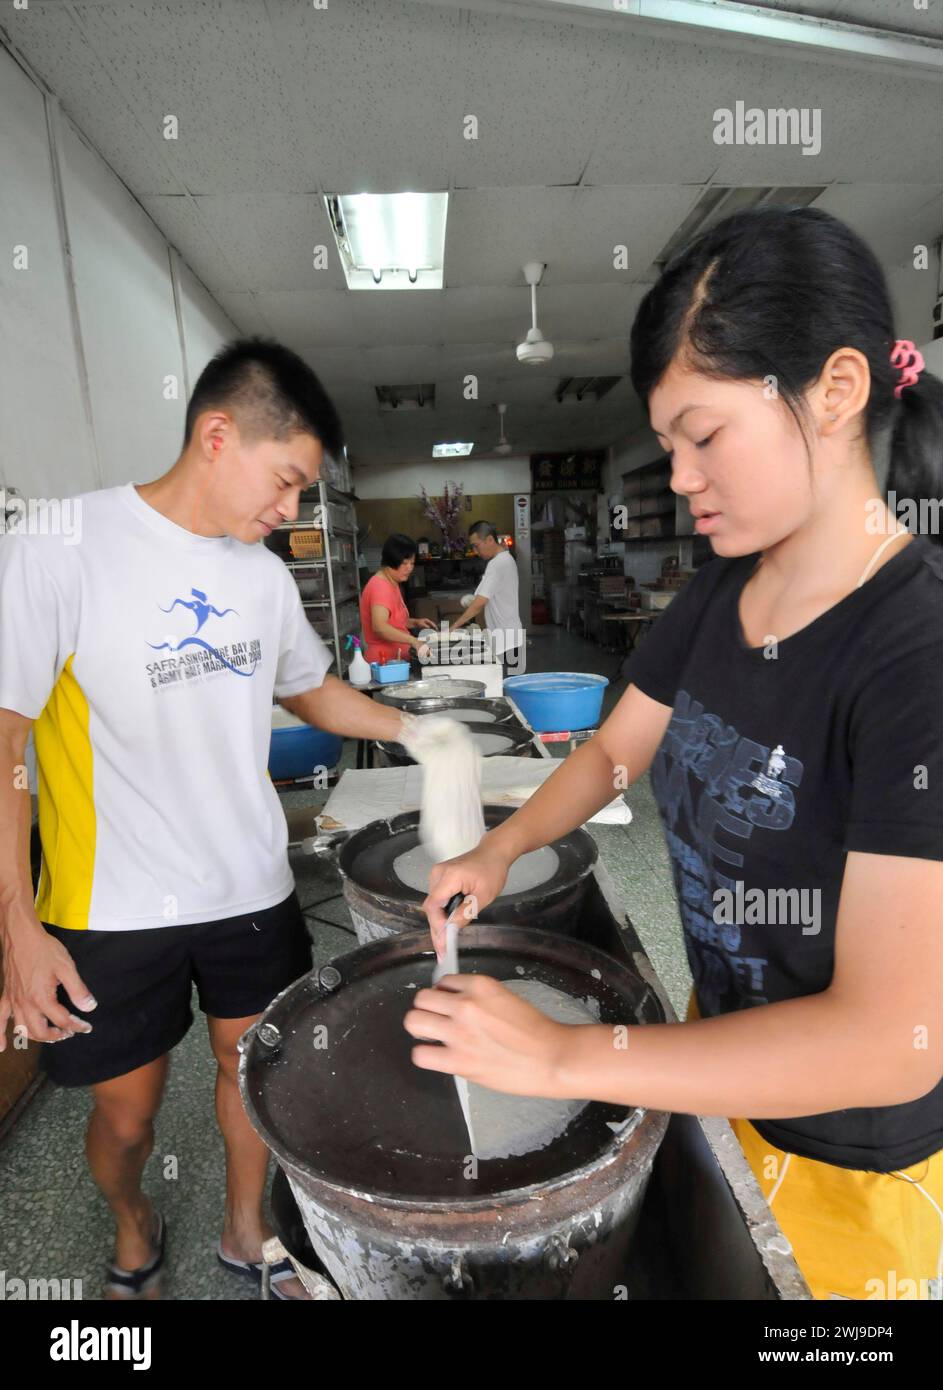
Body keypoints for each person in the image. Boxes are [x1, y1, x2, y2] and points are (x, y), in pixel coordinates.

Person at [405, 205, 943, 1302]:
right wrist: (501, 848)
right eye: (669, 447)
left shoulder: (913, 652)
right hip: (716, 1066)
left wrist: (559, 1059)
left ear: (835, 392)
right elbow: (612, 755)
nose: (683, 474)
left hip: (850, 1159)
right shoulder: (718, 595)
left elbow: (897, 1036)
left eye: (705, 434)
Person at [0, 337, 415, 1300]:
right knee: (127, 1116)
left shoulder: (261, 577)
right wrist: (16, 927)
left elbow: (311, 692)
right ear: (217, 436)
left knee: (254, 1072)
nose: (289, 511)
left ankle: (245, 1231)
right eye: (285, 482)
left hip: (252, 889)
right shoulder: (61, 547)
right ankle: (134, 1221)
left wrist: (417, 731)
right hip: (112, 904)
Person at [449, 520, 525, 674]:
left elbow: (480, 602)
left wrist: (454, 627)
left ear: (490, 540)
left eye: (477, 546)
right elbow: (487, 595)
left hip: (506, 640)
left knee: (505, 689)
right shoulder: (505, 559)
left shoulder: (498, 563)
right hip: (507, 637)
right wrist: (474, 599)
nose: (476, 551)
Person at [359, 533, 435, 665]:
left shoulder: (392, 582)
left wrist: (414, 622)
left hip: (397, 661)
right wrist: (414, 641)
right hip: (385, 663)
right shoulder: (380, 587)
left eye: (412, 563)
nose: (409, 568)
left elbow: (393, 621)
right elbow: (380, 627)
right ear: (391, 561)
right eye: (404, 563)